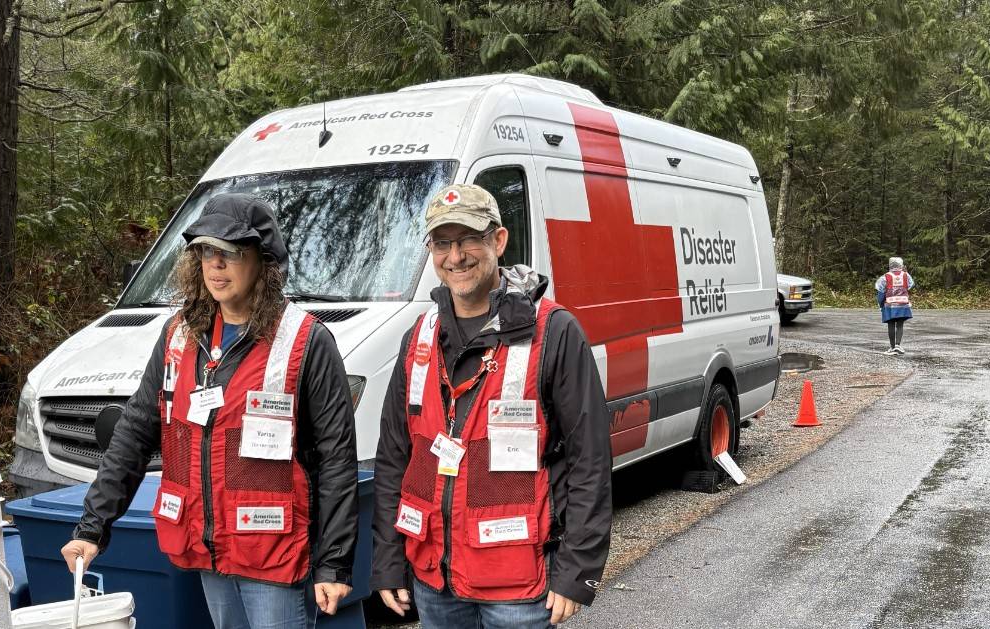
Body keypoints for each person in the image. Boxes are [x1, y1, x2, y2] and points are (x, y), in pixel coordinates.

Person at [60, 193, 359, 629]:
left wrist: (333, 564)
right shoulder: (180, 336)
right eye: (206, 251)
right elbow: (136, 432)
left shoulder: (306, 342)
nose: (216, 265)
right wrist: (92, 527)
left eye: (231, 252)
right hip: (209, 550)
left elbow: (336, 461)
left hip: (275, 556)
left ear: (264, 259)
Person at [371, 184, 613, 628]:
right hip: (435, 580)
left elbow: (590, 460)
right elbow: (395, 457)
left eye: (469, 240)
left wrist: (578, 570)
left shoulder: (555, 332)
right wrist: (388, 556)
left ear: (498, 241)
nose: (456, 256)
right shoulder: (419, 338)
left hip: (519, 586)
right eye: (442, 243)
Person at [876, 256, 915, 355]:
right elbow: (910, 285)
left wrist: (880, 304)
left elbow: (881, 292)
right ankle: (898, 345)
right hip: (903, 304)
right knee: (900, 324)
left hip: (890, 305)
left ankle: (892, 347)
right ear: (901, 265)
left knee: (891, 324)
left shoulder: (885, 276)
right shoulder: (906, 275)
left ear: (890, 265)